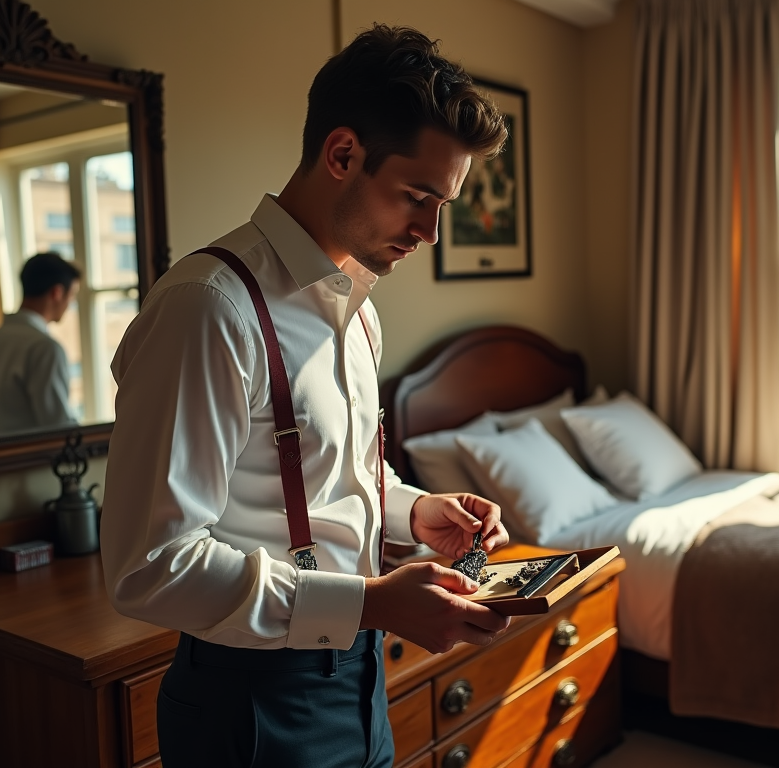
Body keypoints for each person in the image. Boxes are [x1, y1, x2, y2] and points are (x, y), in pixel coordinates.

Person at [100, 24, 511, 768]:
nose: (430, 231)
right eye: (418, 197)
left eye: (442, 204)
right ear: (343, 154)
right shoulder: (209, 308)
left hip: (358, 679)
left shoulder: (359, 309)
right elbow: (150, 566)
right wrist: (370, 602)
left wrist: (415, 510)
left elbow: (326, 474)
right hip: (250, 704)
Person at [0, 251, 79, 435]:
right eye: (72, 296)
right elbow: (59, 426)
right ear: (57, 292)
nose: (70, 305)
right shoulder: (45, 348)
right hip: (35, 462)